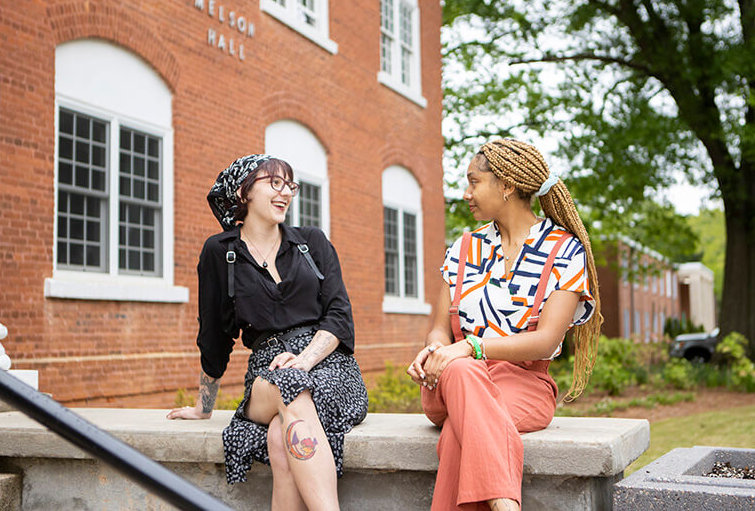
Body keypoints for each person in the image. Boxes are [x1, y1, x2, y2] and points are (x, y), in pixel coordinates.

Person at [407, 139, 602, 511]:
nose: (466, 194)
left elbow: (545, 342)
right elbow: (439, 329)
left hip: (525, 385)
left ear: (507, 185)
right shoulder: (463, 248)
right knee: (463, 372)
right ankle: (505, 504)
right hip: (449, 383)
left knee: (456, 436)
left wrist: (471, 346)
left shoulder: (565, 251)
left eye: (474, 182)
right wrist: (435, 349)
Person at [167, 154, 368, 511]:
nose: (286, 193)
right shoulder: (220, 252)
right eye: (274, 183)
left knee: (279, 437)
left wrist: (304, 360)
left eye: (289, 185)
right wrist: (204, 405)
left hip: (330, 367)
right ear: (244, 191)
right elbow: (214, 335)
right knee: (287, 385)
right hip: (267, 372)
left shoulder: (311, 242)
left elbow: (339, 315)